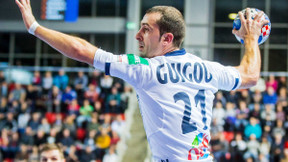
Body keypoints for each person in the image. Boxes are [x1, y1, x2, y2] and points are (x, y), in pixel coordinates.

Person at [16, 0, 268, 161]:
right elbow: (250, 75)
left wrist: (35, 27)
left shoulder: (145, 69)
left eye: (146, 29)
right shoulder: (209, 69)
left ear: (167, 39)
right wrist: (251, 40)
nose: (137, 35)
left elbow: (81, 50)